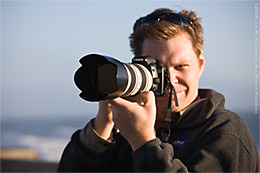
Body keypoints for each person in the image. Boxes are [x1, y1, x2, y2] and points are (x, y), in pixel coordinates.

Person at [58, 8, 259, 172]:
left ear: (200, 64)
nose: (170, 78)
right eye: (157, 69)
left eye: (181, 67)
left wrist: (144, 142)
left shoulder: (224, 130)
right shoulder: (124, 129)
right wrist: (101, 130)